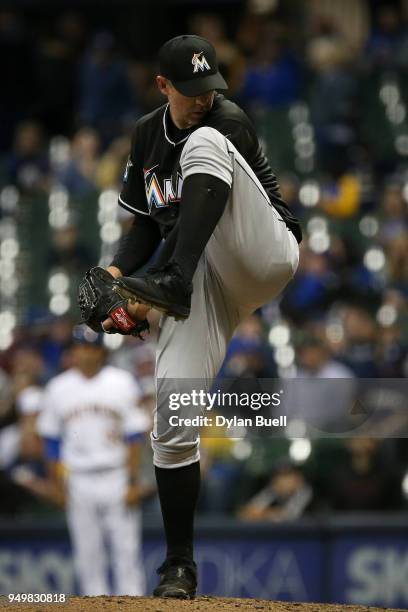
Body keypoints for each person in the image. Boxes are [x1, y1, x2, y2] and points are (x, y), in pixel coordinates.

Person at [95, 34, 301, 599]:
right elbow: (144, 227)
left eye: (208, 86)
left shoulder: (225, 120)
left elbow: (192, 220)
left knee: (204, 141)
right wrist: (114, 281)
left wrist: (156, 286)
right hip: (200, 276)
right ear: (163, 86)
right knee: (173, 419)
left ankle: (172, 284)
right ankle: (179, 567)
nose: (203, 98)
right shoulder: (145, 134)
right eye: (189, 91)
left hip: (259, 253)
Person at [37, 325, 149, 596]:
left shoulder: (120, 381)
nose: (86, 354)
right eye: (80, 348)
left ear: (101, 351)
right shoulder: (58, 387)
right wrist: (56, 485)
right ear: (72, 352)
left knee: (126, 552)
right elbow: (51, 441)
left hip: (117, 475)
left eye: (91, 348)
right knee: (88, 555)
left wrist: (134, 481)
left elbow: (135, 435)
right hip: (78, 479)